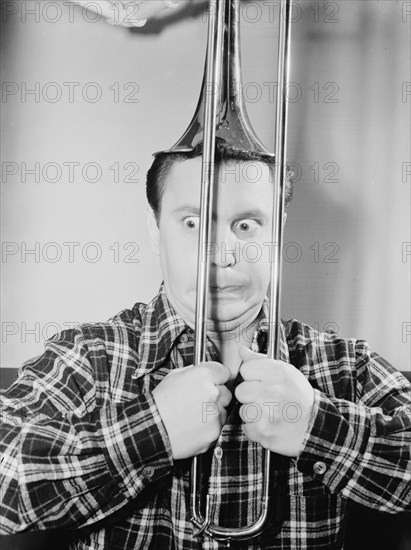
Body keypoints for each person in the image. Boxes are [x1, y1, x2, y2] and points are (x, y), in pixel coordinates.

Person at [1, 139, 410, 550]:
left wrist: (317, 427)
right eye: (193, 223)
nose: (221, 254)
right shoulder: (90, 355)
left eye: (247, 224)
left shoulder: (344, 364)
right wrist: (151, 431)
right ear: (155, 229)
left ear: (278, 232)